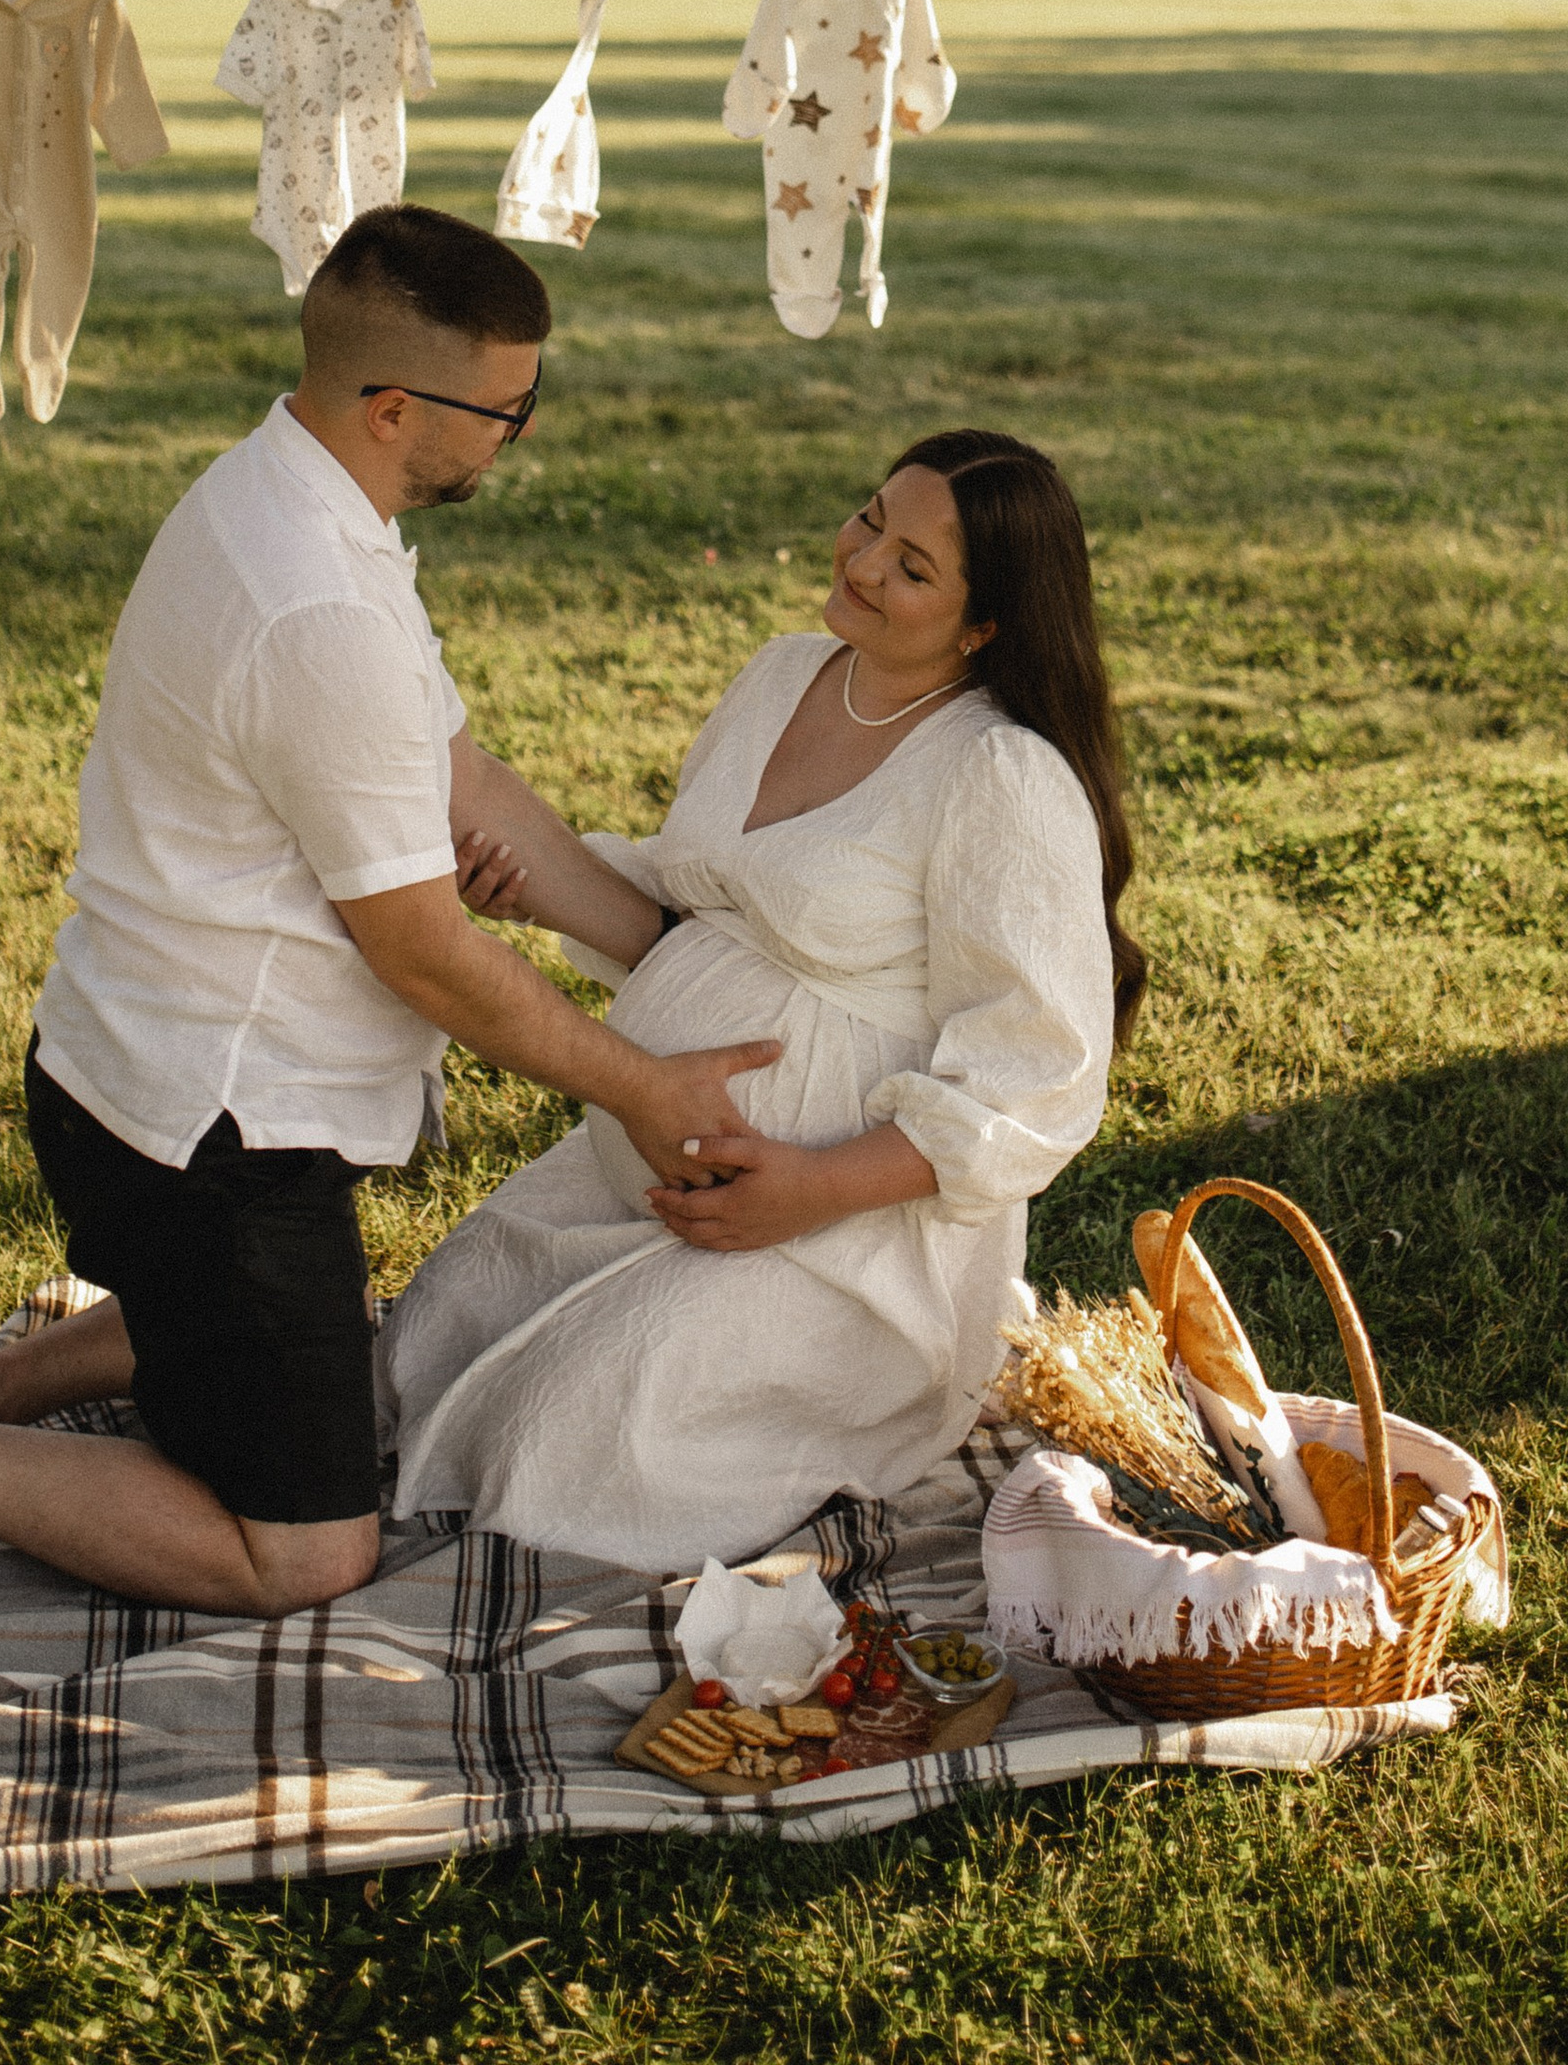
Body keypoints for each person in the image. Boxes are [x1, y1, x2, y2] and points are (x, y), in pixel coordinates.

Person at [0, 205, 779, 1614]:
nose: (523, 436)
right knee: (304, 1552)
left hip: (151, 1072)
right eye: (509, 411)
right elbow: (427, 953)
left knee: (277, 1340)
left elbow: (461, 780)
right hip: (204, 1142)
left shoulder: (299, 497)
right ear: (392, 408)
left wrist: (669, 952)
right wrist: (645, 1083)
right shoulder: (315, 605)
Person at [379, 426, 1142, 1571]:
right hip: (649, 1168)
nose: (865, 560)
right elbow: (697, 919)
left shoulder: (999, 773)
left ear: (984, 625)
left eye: (914, 566)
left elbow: (1038, 1075)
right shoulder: (785, 672)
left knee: (577, 1433)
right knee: (427, 1339)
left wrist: (814, 1187)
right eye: (871, 515)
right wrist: (535, 891)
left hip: (850, 1234)